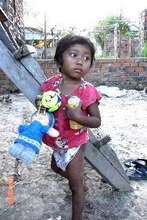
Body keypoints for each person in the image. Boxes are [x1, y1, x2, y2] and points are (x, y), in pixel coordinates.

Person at [40, 35, 102, 220]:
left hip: (74, 144)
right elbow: (44, 106)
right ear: (60, 59)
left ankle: (78, 205)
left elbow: (97, 120)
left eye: (86, 58)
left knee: (75, 187)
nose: (80, 62)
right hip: (56, 141)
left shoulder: (87, 90)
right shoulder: (50, 85)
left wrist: (78, 116)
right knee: (55, 167)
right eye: (73, 55)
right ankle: (80, 184)